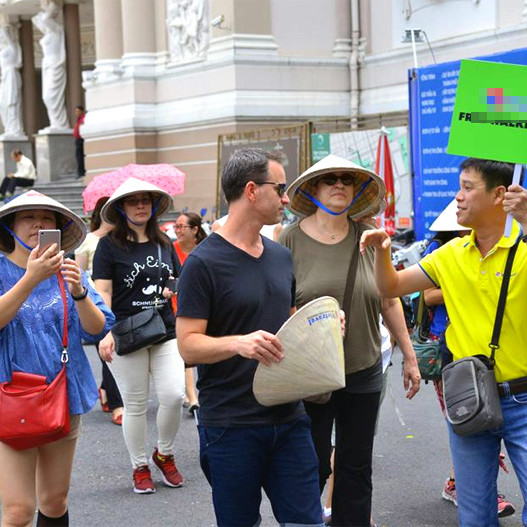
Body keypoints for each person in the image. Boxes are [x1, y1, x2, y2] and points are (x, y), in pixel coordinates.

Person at [361, 158, 527, 527]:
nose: (458, 196)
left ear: (500, 194)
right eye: (459, 185)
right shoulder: (450, 254)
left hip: (523, 400)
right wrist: (383, 250)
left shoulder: (524, 247)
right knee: (474, 516)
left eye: (468, 187)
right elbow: (389, 287)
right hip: (470, 397)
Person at [176, 148, 325, 527]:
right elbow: (187, 344)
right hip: (230, 424)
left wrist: (322, 328)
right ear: (252, 191)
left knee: (306, 521)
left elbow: (289, 323)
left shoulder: (279, 256)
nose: (287, 198)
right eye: (280, 188)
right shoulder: (202, 263)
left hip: (290, 417)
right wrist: (237, 343)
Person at [279, 154, 420, 527]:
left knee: (356, 465)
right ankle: (307, 520)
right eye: (330, 179)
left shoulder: (370, 236)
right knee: (314, 459)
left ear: (355, 191)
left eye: (347, 179)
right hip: (313, 372)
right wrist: (314, 326)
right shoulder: (289, 239)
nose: (339, 184)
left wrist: (409, 356)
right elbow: (280, 305)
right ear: (314, 189)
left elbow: (389, 300)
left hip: (364, 366)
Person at [0, 190, 114, 526]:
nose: (38, 223)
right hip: (10, 397)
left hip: (62, 394)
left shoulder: (69, 271)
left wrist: (78, 290)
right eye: (28, 217)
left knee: (54, 501)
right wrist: (30, 278)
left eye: (47, 218)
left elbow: (95, 329)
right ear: (10, 226)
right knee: (18, 510)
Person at [418, 199, 516, 518]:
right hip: (450, 352)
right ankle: (463, 485)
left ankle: (461, 482)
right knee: (467, 415)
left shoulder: (502, 248)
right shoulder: (443, 250)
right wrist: (468, 282)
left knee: (485, 417)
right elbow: (427, 294)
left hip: (491, 353)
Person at [92, 178, 186, 495]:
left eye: (146, 200)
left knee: (174, 395)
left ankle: (165, 453)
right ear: (121, 208)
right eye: (133, 201)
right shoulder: (109, 246)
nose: (141, 205)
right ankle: (140, 466)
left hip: (165, 330)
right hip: (126, 334)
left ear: (154, 206)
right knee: (135, 405)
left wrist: (172, 286)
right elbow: (102, 292)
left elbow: (175, 278)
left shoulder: (163, 242)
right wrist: (105, 331)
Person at [75, 196, 124, 426]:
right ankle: (117, 404)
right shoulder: (89, 241)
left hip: (120, 300)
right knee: (109, 356)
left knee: (115, 354)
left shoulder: (123, 241)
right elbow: (79, 273)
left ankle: (106, 389)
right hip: (93, 302)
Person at [172, 211, 207, 415]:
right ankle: (192, 397)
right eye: (175, 227)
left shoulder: (204, 250)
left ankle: (194, 393)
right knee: (186, 353)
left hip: (201, 308)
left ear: (195, 229)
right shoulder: (171, 249)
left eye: (181, 227)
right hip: (176, 307)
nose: (177, 231)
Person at [32, 0, 69, 130]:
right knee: (46, 96)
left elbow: (45, 20)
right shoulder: (49, 32)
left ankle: (61, 124)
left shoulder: (57, 30)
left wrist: (49, 6)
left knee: (51, 96)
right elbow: (35, 19)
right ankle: (55, 123)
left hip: (55, 63)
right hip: (47, 64)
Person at [73, 106, 85, 179]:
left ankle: (81, 172)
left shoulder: (83, 119)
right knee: (78, 156)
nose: (76, 113)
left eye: (78, 111)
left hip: (81, 140)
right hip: (77, 140)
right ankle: (80, 171)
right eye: (75, 111)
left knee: (80, 157)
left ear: (81, 111)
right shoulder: (78, 120)